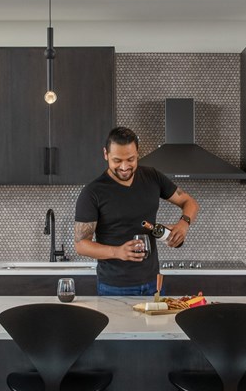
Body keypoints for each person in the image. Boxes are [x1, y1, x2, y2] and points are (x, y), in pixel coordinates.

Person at [74, 126, 199, 296]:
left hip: (154, 283)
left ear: (137, 153)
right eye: (117, 160)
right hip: (114, 286)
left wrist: (183, 224)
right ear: (106, 154)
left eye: (130, 159)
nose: (125, 167)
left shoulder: (152, 177)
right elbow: (81, 245)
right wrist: (117, 252)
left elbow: (189, 202)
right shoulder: (92, 193)